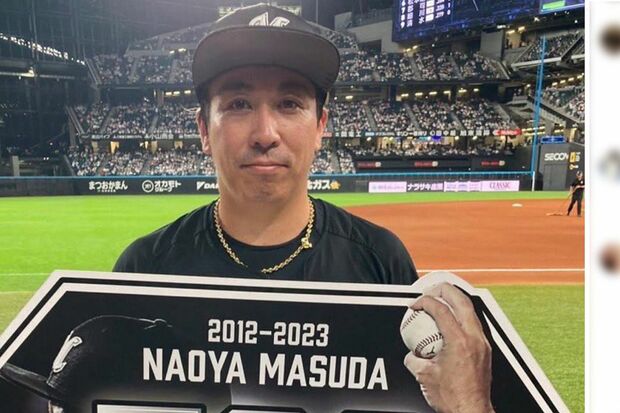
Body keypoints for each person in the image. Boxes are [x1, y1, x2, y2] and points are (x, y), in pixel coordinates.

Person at [113, 4, 494, 412]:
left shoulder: (380, 261)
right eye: (239, 103)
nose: (265, 134)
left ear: (320, 127)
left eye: (289, 103)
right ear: (204, 130)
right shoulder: (145, 268)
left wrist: (468, 404)